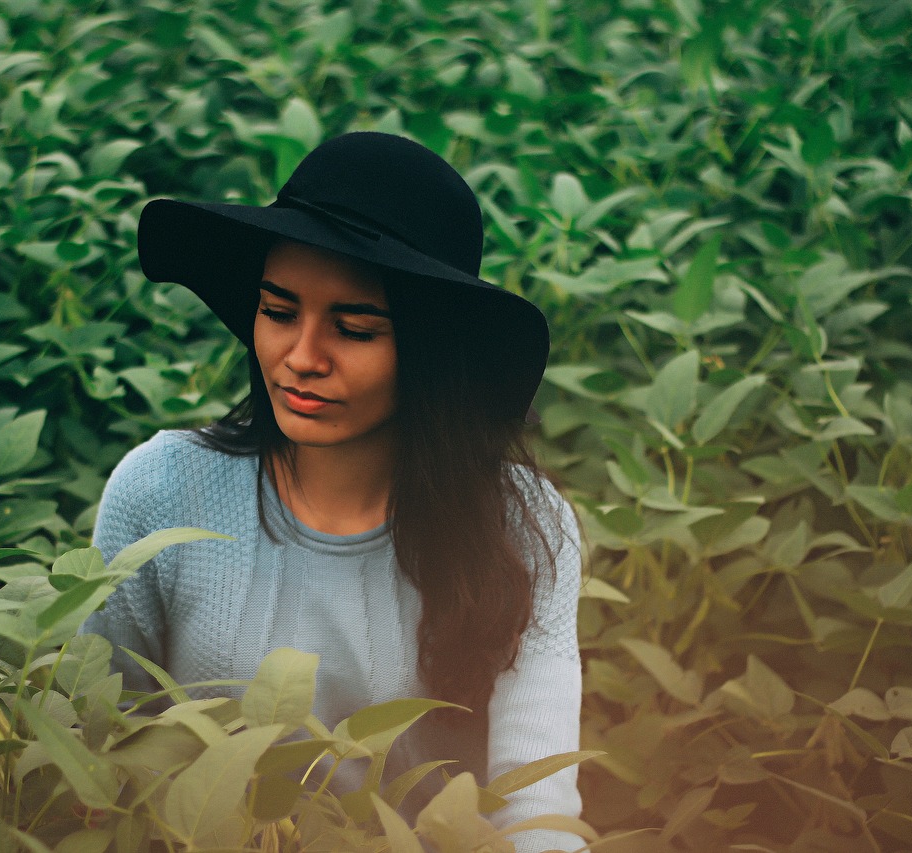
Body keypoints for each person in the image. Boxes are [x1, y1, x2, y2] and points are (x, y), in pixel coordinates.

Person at [84, 131, 584, 852]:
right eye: (279, 312)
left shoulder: (521, 522)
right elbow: (94, 756)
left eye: (353, 328)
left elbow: (536, 812)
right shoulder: (162, 492)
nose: (302, 357)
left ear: (429, 346)